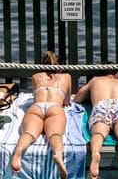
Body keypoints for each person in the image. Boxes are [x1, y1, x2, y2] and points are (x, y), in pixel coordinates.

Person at [72, 67, 118, 179]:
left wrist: (91, 94)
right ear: (117, 74)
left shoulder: (96, 80)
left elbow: (78, 98)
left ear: (101, 73)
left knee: (98, 133)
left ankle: (95, 154)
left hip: (101, 106)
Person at [10, 51, 73, 179]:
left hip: (37, 107)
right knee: (55, 134)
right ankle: (57, 155)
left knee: (28, 134)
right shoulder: (66, 77)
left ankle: (18, 152)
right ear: (60, 65)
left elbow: (35, 99)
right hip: (55, 107)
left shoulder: (36, 76)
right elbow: (66, 101)